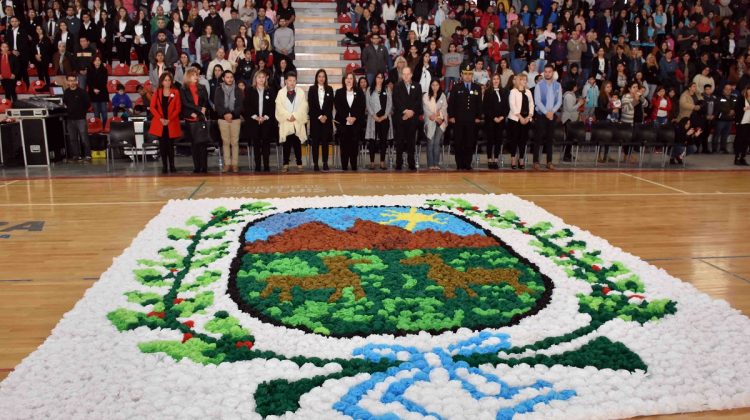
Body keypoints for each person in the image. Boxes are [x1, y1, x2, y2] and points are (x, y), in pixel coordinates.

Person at [448, 63, 482, 170]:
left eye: (470, 74)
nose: (467, 76)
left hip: (471, 120)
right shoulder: (456, 87)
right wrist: (452, 116)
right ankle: (459, 164)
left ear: (472, 75)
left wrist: (478, 116)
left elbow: (479, 104)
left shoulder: (477, 87)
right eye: (465, 74)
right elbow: (451, 103)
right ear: (461, 75)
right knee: (459, 142)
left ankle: (467, 164)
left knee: (469, 142)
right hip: (459, 120)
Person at [148, 72, 182, 174]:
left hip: (171, 123)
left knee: (171, 146)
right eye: (165, 80)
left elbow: (178, 108)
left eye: (169, 80)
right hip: (160, 123)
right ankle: (164, 166)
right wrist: (160, 118)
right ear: (161, 82)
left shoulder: (175, 92)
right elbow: (152, 107)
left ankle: (172, 165)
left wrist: (169, 119)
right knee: (162, 146)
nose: (167, 82)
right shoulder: (157, 92)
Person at [275, 71, 309, 172]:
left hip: (297, 121)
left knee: (297, 144)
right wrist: (288, 116)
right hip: (286, 122)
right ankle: (285, 164)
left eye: (294, 81)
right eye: (290, 80)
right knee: (286, 144)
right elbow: (279, 107)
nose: (292, 83)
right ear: (286, 81)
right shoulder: (281, 93)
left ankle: (299, 163)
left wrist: (295, 115)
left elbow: (304, 106)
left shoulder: (301, 92)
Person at [243, 69, 276, 172]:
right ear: (255, 79)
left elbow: (272, 106)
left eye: (263, 77)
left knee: (266, 144)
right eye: (259, 77)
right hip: (253, 121)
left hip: (266, 121)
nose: (261, 79)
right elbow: (247, 106)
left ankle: (266, 165)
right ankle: (257, 165)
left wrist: (264, 117)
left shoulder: (270, 90)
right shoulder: (249, 90)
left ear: (265, 78)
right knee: (256, 144)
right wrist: (255, 117)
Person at [180, 66, 210, 173]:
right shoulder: (183, 88)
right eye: (193, 75)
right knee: (194, 144)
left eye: (196, 75)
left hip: (201, 118)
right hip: (190, 118)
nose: (196, 77)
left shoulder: (202, 87)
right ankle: (197, 167)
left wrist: (200, 112)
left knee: (203, 143)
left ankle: (204, 167)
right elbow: (185, 103)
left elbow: (205, 102)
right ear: (188, 76)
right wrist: (197, 110)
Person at [335, 73, 366, 171]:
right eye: (347, 78)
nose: (349, 80)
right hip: (343, 123)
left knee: (354, 146)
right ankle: (344, 166)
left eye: (351, 78)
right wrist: (346, 117)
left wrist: (354, 117)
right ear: (344, 80)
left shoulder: (359, 91)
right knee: (344, 146)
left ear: (354, 80)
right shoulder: (339, 92)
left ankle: (353, 165)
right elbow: (338, 107)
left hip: (355, 124)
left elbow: (361, 106)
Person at [392, 66, 422, 170]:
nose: (405, 76)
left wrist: (411, 112)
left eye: (407, 74)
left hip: (412, 119)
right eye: (403, 74)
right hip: (400, 118)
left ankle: (411, 163)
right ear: (401, 75)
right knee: (399, 142)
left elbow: (418, 102)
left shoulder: (417, 86)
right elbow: (396, 101)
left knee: (411, 142)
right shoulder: (397, 86)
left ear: (411, 75)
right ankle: (399, 163)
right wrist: (405, 111)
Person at [214, 70, 244, 173]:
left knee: (234, 142)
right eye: (227, 77)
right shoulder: (218, 90)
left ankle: (235, 164)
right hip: (223, 119)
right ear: (223, 78)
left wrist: (232, 114)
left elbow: (240, 105)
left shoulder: (238, 90)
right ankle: (227, 164)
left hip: (235, 119)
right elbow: (217, 105)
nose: (230, 79)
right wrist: (225, 114)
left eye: (231, 77)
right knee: (226, 142)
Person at [533, 64, 562, 170]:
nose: (547, 73)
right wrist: (546, 112)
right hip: (541, 115)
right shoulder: (539, 85)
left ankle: (549, 162)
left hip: (551, 115)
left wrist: (552, 112)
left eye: (549, 71)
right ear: (543, 73)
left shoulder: (558, 85)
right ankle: (536, 161)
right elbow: (538, 101)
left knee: (550, 139)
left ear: (553, 73)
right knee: (538, 139)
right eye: (546, 71)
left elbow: (559, 101)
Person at [308, 69, 335, 171]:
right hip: (315, 120)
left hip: (326, 121)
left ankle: (325, 162)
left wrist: (325, 116)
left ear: (325, 78)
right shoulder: (312, 89)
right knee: (315, 143)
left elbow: (330, 106)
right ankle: (315, 163)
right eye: (319, 76)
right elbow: (311, 105)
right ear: (316, 78)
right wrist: (320, 116)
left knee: (325, 142)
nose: (321, 78)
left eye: (323, 76)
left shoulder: (329, 89)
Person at [365, 72, 392, 170]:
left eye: (381, 78)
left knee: (383, 141)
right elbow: (367, 104)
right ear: (375, 78)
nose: (380, 79)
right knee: (372, 141)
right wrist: (374, 115)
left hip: (384, 118)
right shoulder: (369, 90)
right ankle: (372, 162)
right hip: (373, 119)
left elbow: (390, 104)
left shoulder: (387, 89)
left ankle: (382, 162)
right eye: (378, 77)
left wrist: (385, 115)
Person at [507, 73, 534, 170]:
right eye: (522, 79)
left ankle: (521, 159)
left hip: (526, 119)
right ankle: (513, 159)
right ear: (518, 80)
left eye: (525, 80)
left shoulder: (528, 92)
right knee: (514, 140)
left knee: (523, 140)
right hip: (515, 119)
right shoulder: (513, 91)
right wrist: (520, 117)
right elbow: (512, 105)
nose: (524, 81)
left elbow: (531, 104)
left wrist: (529, 116)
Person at [62, 74, 92, 162]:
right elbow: (65, 103)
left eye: (73, 80)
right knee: (73, 139)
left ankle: (87, 155)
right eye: (70, 80)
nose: (72, 82)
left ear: (76, 81)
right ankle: (76, 155)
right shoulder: (66, 92)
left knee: (84, 138)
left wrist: (82, 111)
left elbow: (88, 104)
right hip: (70, 119)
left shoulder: (82, 92)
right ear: (67, 82)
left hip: (81, 119)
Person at [483, 73, 509, 169]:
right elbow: (485, 107)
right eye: (494, 79)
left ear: (500, 80)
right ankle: (490, 159)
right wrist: (494, 117)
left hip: (501, 120)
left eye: (497, 79)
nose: (496, 80)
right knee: (490, 140)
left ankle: (496, 159)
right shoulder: (488, 91)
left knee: (498, 140)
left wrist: (502, 117)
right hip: (490, 120)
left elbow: (506, 106)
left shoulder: (504, 91)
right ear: (491, 80)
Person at [423, 78, 448, 170]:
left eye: (437, 85)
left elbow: (444, 108)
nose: (435, 87)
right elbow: (425, 109)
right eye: (433, 85)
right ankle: (430, 164)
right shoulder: (426, 96)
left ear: (439, 85)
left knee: (437, 143)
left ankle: (436, 163)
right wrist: (433, 117)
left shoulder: (442, 96)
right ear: (430, 85)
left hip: (440, 122)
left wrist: (439, 116)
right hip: (430, 122)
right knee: (431, 142)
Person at [715, 83, 737, 155]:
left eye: (729, 89)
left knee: (725, 135)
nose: (728, 90)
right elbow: (719, 107)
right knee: (717, 134)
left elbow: (736, 106)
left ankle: (723, 148)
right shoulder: (719, 97)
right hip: (721, 119)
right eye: (726, 89)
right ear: (723, 90)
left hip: (730, 119)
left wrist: (734, 111)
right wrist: (728, 111)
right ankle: (714, 149)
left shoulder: (734, 98)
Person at [88, 56, 109, 126]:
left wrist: (98, 89)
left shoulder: (104, 70)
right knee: (96, 114)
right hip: (93, 93)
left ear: (101, 61)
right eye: (95, 60)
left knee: (104, 113)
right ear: (93, 62)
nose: (97, 62)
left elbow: (104, 81)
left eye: (99, 60)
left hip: (102, 93)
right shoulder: (89, 70)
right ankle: (98, 127)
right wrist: (94, 89)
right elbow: (89, 81)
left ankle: (104, 127)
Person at [734, 86, 750, 166]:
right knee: (739, 140)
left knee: (746, 141)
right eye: (749, 90)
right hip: (742, 122)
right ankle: (737, 157)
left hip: (748, 123)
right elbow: (736, 109)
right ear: (746, 91)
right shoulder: (741, 98)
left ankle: (743, 158)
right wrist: (743, 109)